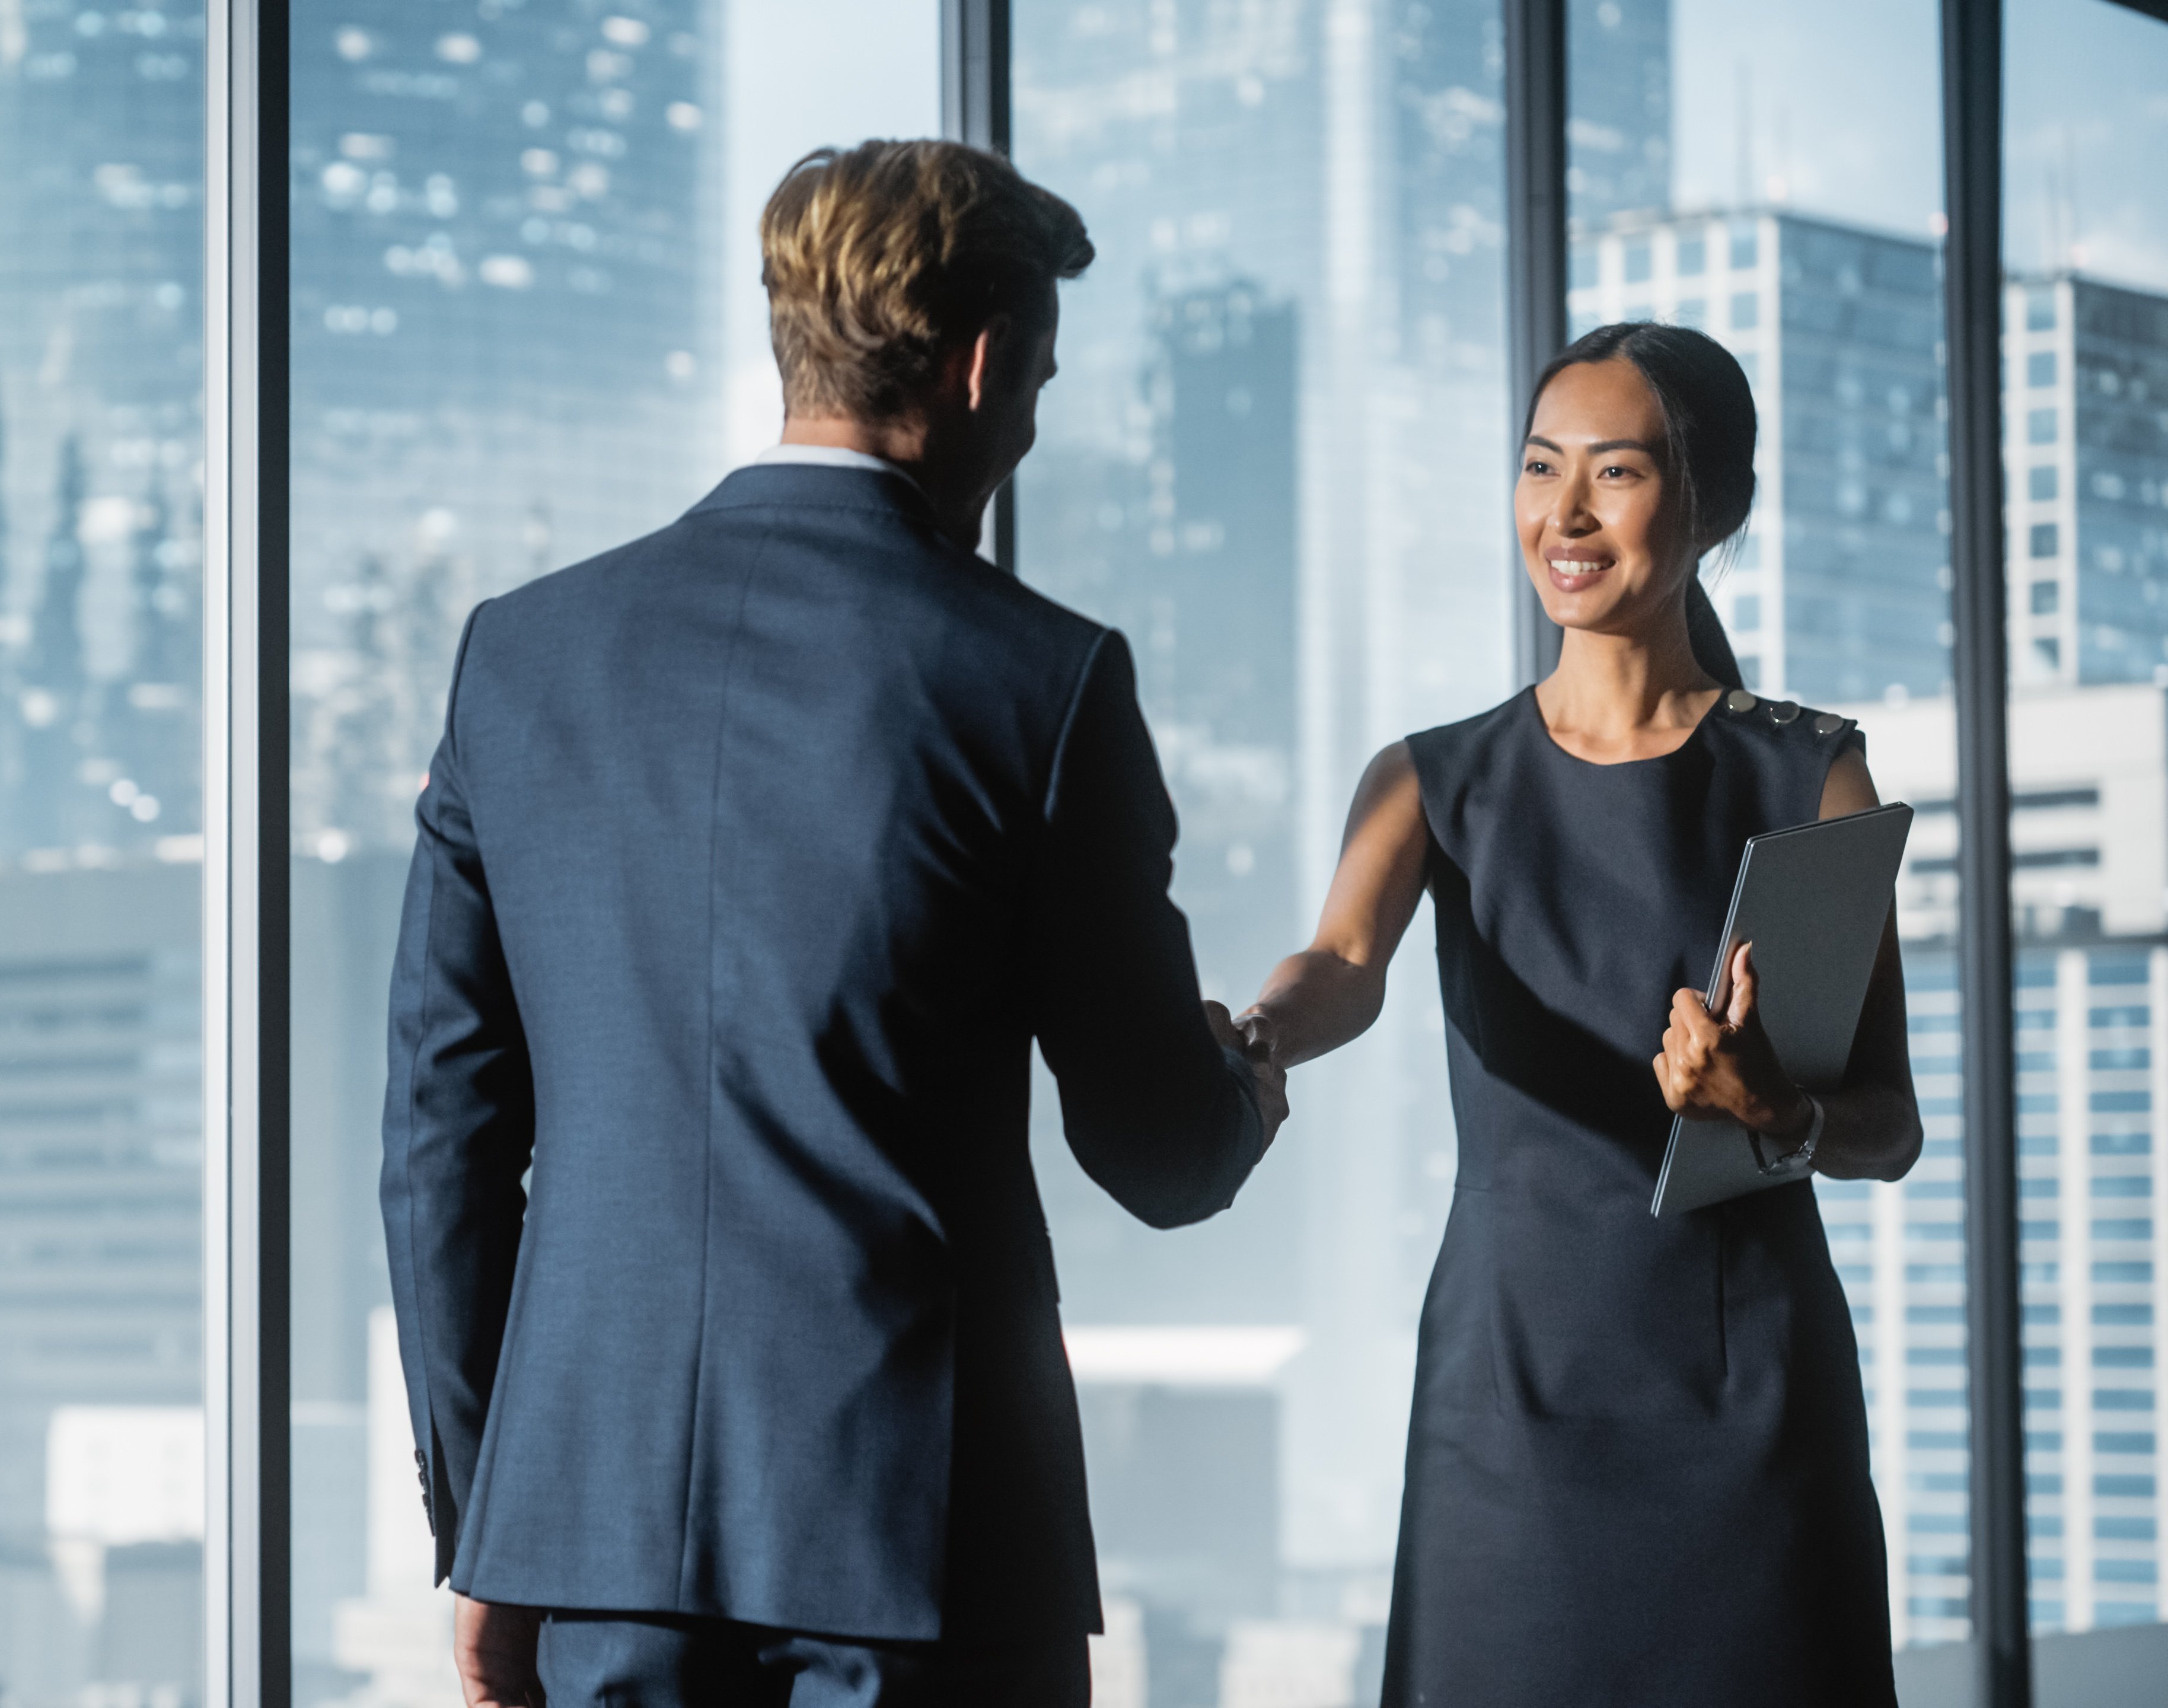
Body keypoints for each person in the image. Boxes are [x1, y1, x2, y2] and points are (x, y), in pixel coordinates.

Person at [380, 139, 1288, 1708]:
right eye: (1042, 384)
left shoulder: (518, 661)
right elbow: (1155, 1146)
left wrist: (491, 1527)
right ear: (987, 366)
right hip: (926, 1552)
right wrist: (1245, 1078)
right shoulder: (1042, 681)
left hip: (589, 1550)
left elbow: (440, 1149)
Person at [1236, 321, 1918, 1706]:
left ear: (1707, 503)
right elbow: (1341, 968)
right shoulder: (1430, 779)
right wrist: (1255, 1036)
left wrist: (1770, 1109)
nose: (1565, 514)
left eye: (1614, 473)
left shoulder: (1810, 777)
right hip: (1509, 1402)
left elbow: (1887, 1130)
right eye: (1541, 468)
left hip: (1750, 1411)